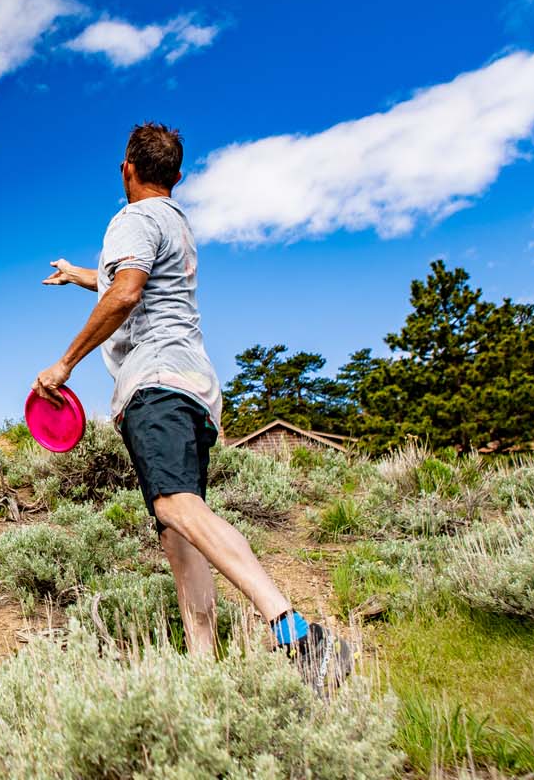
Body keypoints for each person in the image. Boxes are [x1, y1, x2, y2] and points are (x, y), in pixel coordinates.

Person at [33, 121, 349, 692]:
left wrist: (65, 363)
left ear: (126, 169)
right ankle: (203, 671)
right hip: (193, 387)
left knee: (177, 507)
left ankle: (294, 630)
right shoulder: (173, 222)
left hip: (156, 383)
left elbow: (127, 292)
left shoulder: (131, 219)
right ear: (176, 177)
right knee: (178, 531)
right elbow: (130, 284)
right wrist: (82, 275)